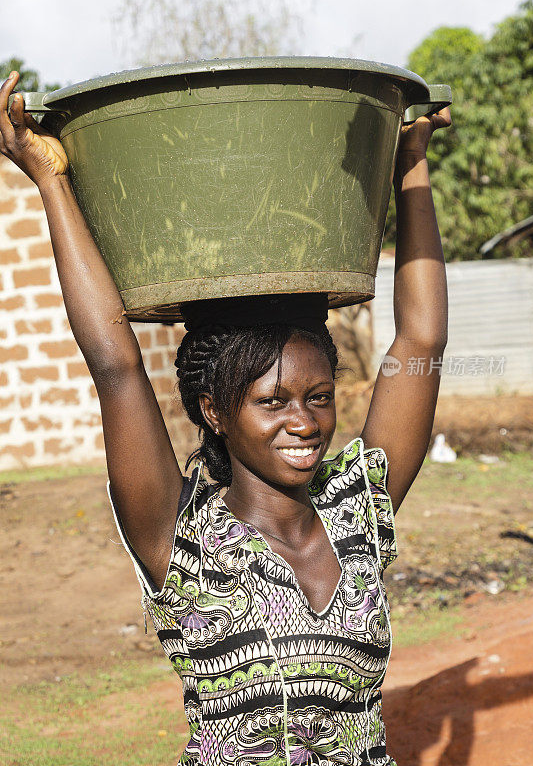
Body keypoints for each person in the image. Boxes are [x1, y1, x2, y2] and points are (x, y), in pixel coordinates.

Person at [1, 70, 451, 766]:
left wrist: (409, 168)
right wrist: (51, 182)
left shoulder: (357, 511)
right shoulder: (179, 539)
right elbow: (116, 366)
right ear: (214, 411)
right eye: (270, 401)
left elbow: (419, 342)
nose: (304, 422)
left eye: (319, 396)